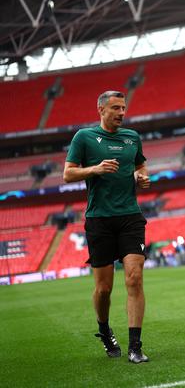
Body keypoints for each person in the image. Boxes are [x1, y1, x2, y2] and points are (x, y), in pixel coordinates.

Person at [63, 91, 151, 363]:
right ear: (100, 109)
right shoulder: (84, 137)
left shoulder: (132, 137)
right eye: (115, 108)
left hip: (130, 216)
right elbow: (68, 173)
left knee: (134, 277)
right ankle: (104, 329)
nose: (121, 112)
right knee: (104, 289)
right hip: (99, 219)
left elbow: (140, 165)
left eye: (123, 108)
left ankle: (135, 346)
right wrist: (95, 169)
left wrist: (141, 176)